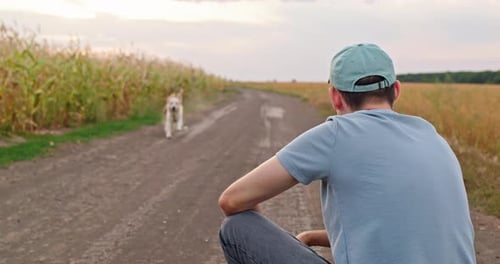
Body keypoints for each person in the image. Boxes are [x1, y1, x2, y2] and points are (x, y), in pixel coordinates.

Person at [218, 43, 476, 264]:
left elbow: (232, 200)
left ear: (335, 97)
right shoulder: (432, 136)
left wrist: (278, 243)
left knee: (236, 227)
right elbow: (401, 232)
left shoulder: (336, 134)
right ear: (396, 90)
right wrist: (310, 238)